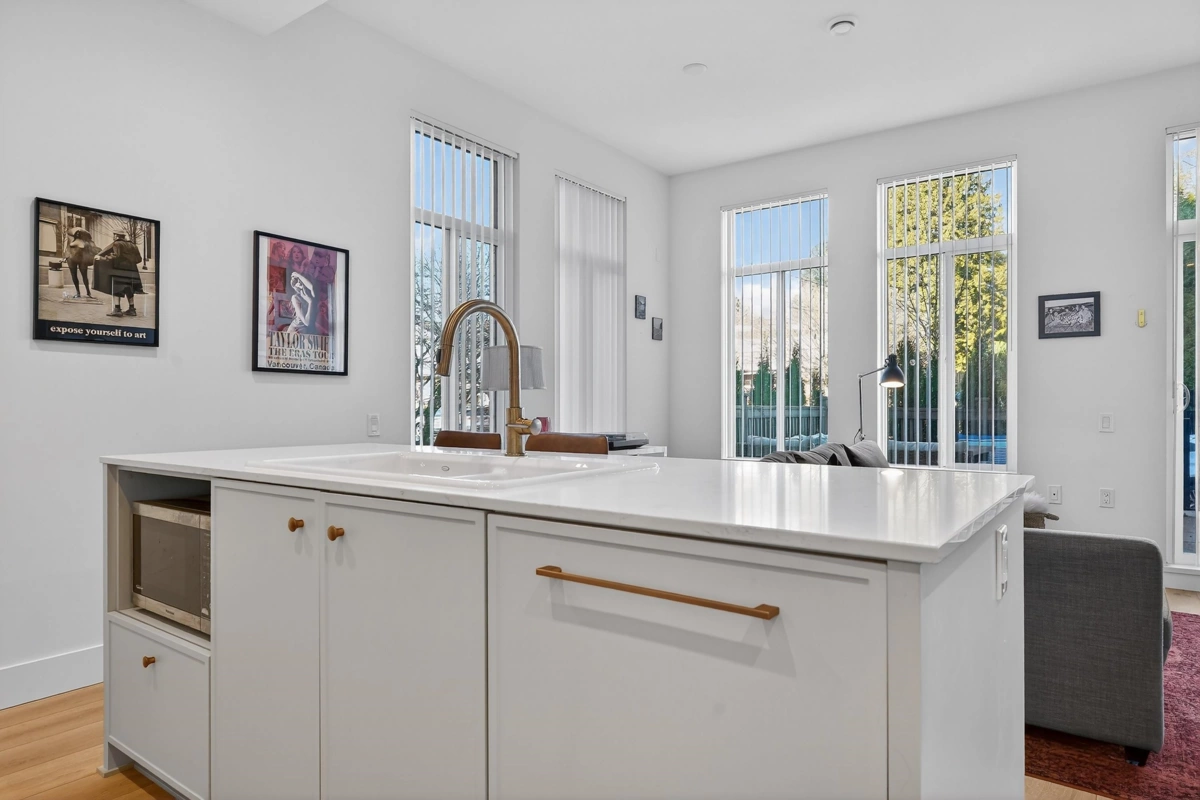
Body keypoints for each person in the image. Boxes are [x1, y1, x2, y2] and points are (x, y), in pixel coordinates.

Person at [95, 231, 144, 317]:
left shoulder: (117, 244)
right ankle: (132, 309)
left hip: (119, 269)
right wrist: (130, 262)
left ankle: (117, 310)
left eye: (114, 235)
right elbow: (139, 259)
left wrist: (102, 258)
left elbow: (116, 256)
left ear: (116, 236)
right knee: (129, 288)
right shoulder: (133, 245)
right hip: (132, 270)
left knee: (116, 288)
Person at [64, 227, 96, 299]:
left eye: (79, 233)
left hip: (78, 259)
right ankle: (82, 292)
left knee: (81, 276)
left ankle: (84, 292)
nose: (78, 234)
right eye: (77, 233)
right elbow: (68, 249)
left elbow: (69, 248)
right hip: (74, 259)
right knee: (78, 276)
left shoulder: (80, 242)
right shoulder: (83, 242)